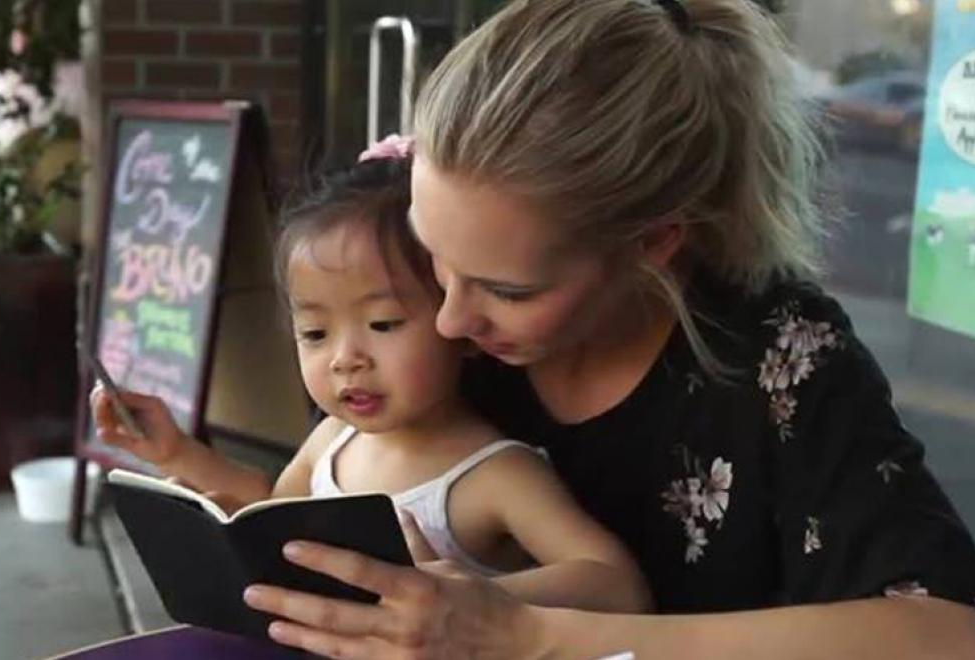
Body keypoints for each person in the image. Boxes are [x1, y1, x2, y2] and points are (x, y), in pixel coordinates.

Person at [237, 0, 975, 657]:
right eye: (434, 258)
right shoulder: (431, 329)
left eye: (508, 290)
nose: (450, 320)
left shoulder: (777, 355)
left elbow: (956, 636)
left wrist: (530, 635)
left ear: (653, 245)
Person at [91, 138, 653, 614]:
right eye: (315, 333)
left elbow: (617, 585)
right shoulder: (336, 439)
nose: (345, 358)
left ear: (457, 320)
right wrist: (175, 454)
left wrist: (475, 597)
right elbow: (272, 509)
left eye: (383, 324)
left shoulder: (493, 474)